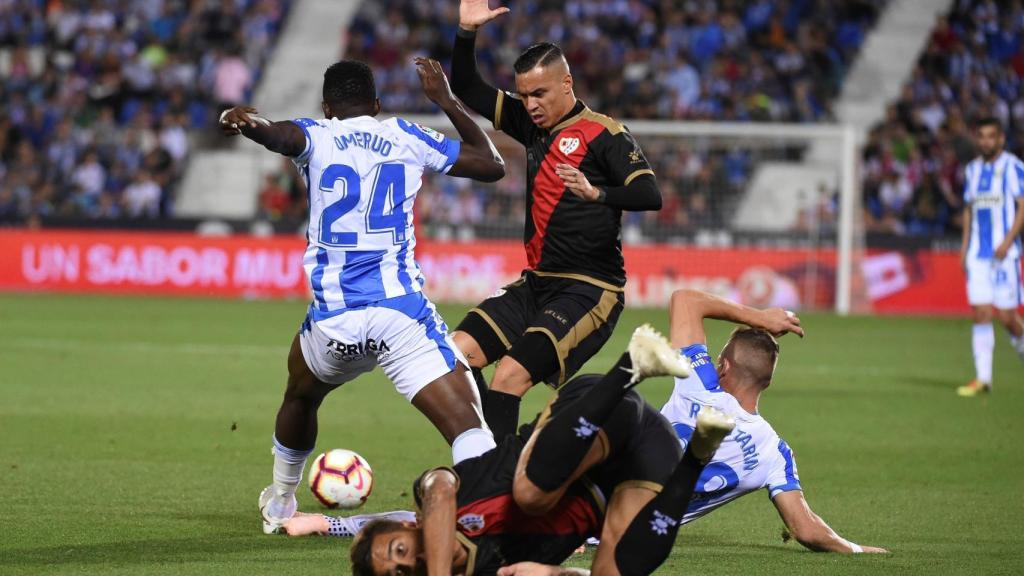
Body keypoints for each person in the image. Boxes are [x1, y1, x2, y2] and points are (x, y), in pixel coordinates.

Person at [286, 290, 886, 557]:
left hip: (574, 480)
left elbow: (685, 301)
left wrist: (757, 314)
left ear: (725, 365)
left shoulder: (700, 378)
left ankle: (334, 527)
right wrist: (855, 546)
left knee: (479, 496)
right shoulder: (774, 452)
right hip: (622, 527)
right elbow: (807, 529)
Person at [219, 58, 506, 534]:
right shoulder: (406, 135)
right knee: (469, 427)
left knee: (301, 395)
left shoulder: (318, 134)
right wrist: (446, 100)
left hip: (335, 322)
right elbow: (492, 165)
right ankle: (496, 520)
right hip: (400, 317)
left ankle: (282, 500)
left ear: (326, 107)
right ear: (375, 104)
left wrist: (251, 124)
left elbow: (284, 136)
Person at [347, 325, 736, 576]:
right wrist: (552, 574)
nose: (408, 561)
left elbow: (439, 488)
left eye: (399, 549)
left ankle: (631, 364)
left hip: (598, 412)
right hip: (646, 456)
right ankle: (698, 454)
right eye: (399, 572)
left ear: (408, 527)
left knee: (530, 495)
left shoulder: (437, 495)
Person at [448, 0, 664, 440]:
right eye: (523, 95)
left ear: (566, 83)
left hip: (590, 289)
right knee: (452, 357)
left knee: (509, 376)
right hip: (537, 283)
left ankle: (498, 479)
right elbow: (468, 88)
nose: (529, 105)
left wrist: (597, 192)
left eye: (539, 94)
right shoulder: (531, 126)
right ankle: (495, 460)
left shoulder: (605, 133)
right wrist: (466, 33)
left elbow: (649, 194)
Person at [956, 117, 1024, 397]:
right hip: (977, 255)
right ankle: (983, 379)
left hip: (1003, 255)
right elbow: (969, 210)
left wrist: (1008, 241)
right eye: (981, 136)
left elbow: (1022, 206)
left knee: (1008, 317)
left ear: (1000, 139)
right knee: (981, 313)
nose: (985, 141)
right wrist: (964, 248)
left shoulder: (1014, 167)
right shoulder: (972, 170)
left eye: (990, 136)